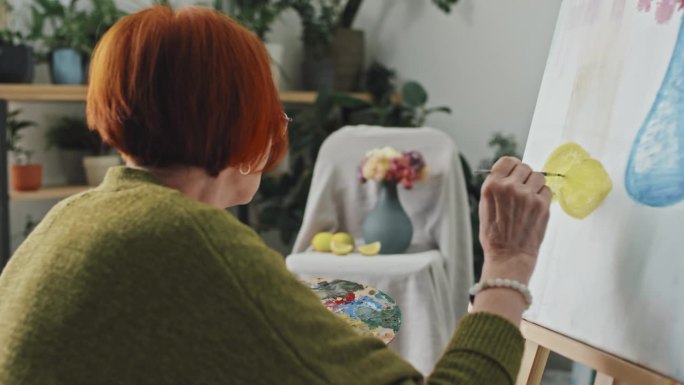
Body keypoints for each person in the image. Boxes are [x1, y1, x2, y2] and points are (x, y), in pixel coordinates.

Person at [0, 6, 552, 385]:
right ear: (236, 120)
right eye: (268, 106)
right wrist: (509, 263)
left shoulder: (70, 217)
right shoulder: (184, 237)